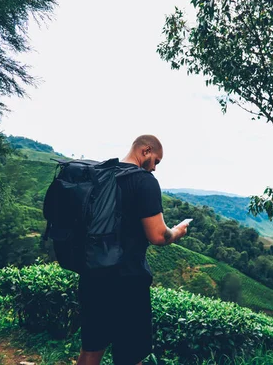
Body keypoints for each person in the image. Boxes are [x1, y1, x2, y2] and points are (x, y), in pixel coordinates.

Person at [76, 134, 189, 365]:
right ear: (146, 150)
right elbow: (158, 235)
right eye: (156, 161)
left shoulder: (102, 174)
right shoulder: (143, 181)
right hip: (127, 280)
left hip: (93, 274)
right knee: (130, 355)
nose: (155, 169)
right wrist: (177, 231)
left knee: (91, 349)